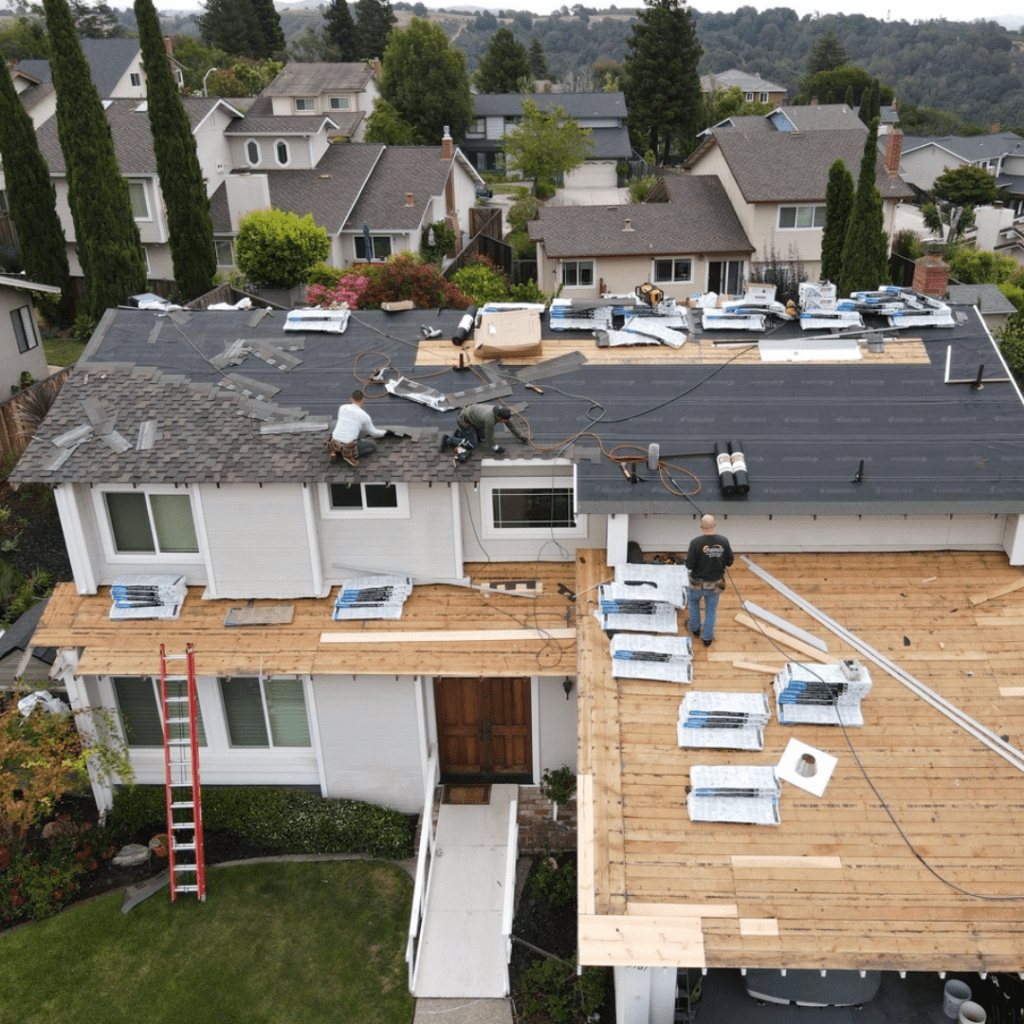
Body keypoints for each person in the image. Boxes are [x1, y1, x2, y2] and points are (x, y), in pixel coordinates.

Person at [685, 513, 734, 647]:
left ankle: (695, 630)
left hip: (697, 584)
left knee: (694, 604)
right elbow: (730, 561)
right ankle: (707, 638)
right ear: (714, 526)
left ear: (702, 527)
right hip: (715, 585)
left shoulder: (695, 543)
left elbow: (689, 565)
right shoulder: (724, 541)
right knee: (711, 611)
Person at [440, 404, 527, 462]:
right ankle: (449, 440)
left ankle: (460, 434)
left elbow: (511, 425)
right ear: (499, 417)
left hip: (476, 419)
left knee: (482, 439)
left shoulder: (501, 412)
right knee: (472, 445)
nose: (505, 422)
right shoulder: (490, 419)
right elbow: (490, 436)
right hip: (466, 421)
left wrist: (521, 437)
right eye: (504, 420)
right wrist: (496, 448)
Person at [330, 390, 386, 467]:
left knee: (354, 430)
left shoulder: (342, 407)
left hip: (335, 439)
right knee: (373, 447)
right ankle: (349, 455)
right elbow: (373, 432)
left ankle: (335, 451)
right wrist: (384, 432)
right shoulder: (364, 415)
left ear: (351, 398)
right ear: (362, 400)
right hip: (348, 443)